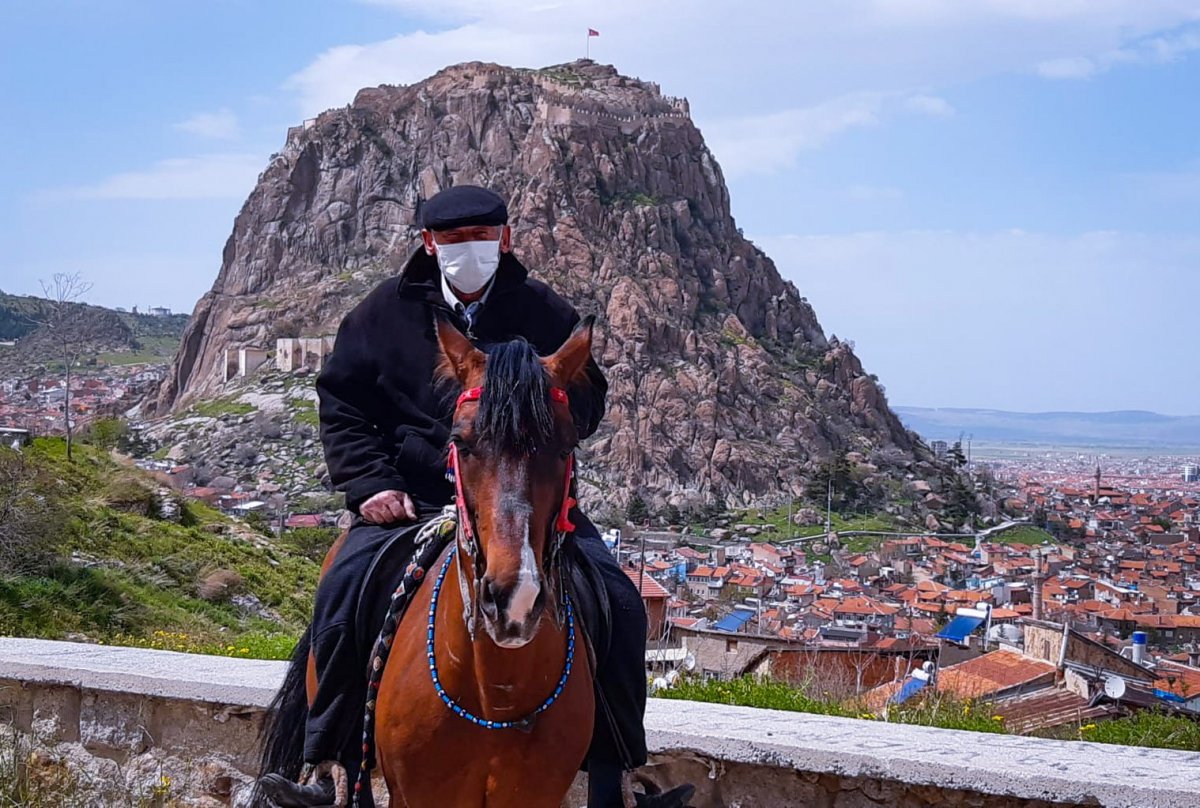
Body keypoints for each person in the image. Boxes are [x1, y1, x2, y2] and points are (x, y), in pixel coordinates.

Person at [259, 185, 692, 808]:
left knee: (620, 603)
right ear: (429, 244)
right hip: (410, 498)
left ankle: (619, 777)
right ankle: (327, 766)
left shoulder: (543, 310)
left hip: (520, 498)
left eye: (481, 239)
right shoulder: (382, 313)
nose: (469, 251)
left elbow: (587, 396)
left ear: (505, 240)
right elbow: (344, 402)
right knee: (342, 590)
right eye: (454, 241)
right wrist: (370, 483)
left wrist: (550, 399)